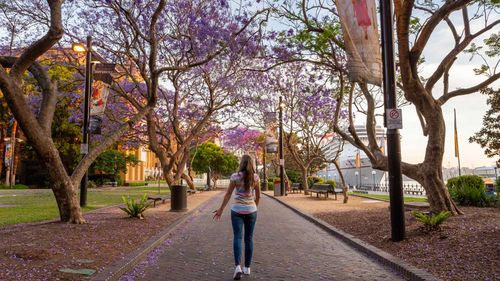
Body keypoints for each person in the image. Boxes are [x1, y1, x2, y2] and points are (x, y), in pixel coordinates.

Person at [213, 154, 261, 280]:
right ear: (252, 164)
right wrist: (254, 208)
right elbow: (258, 196)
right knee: (249, 239)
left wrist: (221, 209)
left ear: (241, 163)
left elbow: (228, 194)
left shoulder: (235, 176)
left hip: (237, 210)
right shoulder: (255, 177)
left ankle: (237, 267)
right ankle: (247, 268)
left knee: (238, 237)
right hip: (251, 210)